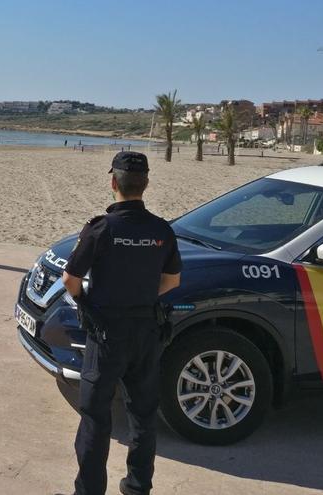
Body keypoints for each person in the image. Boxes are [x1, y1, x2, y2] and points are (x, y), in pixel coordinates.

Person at [62, 151, 181, 495]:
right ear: (145, 185)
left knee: (95, 417)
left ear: (114, 182)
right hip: (145, 331)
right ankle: (137, 487)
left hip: (107, 333)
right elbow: (172, 282)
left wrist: (86, 304)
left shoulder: (101, 228)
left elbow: (71, 280)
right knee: (143, 414)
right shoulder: (162, 230)